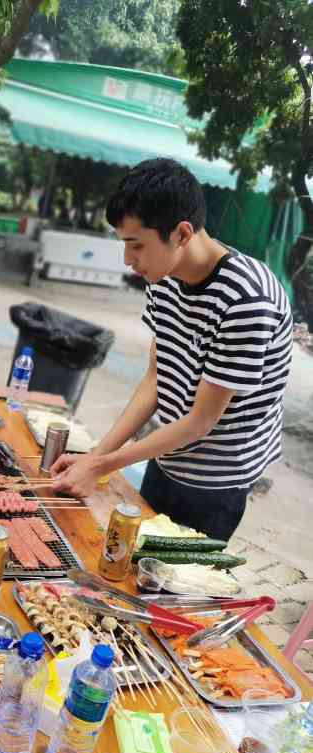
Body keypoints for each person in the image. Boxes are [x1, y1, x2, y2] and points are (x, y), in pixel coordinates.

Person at [51, 158, 292, 541]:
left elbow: (200, 422)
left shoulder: (247, 300)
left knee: (174, 586)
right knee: (131, 555)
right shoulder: (163, 278)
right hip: (166, 453)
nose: (129, 261)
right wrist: (98, 457)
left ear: (181, 234)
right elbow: (156, 378)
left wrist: (103, 466)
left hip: (216, 480)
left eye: (137, 245)